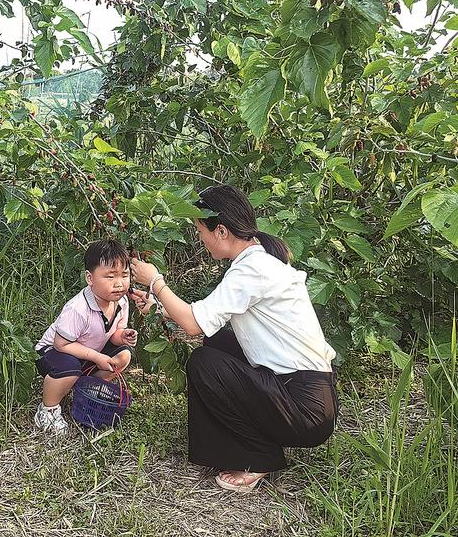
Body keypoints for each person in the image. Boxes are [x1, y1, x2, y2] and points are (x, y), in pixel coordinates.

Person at [130, 184, 338, 493]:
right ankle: (254, 443)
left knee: (204, 362)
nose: (201, 240)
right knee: (218, 343)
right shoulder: (258, 261)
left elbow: (192, 324)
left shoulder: (252, 270)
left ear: (222, 231)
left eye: (202, 231)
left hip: (306, 408)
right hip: (307, 395)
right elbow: (202, 321)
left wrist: (156, 281)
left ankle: (257, 457)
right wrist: (158, 307)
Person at [33, 239, 138, 435]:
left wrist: (123, 336)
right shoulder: (78, 308)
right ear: (90, 278)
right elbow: (61, 344)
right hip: (52, 352)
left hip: (86, 352)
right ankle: (47, 410)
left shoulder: (122, 302)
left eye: (124, 275)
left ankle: (84, 389)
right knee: (69, 367)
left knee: (123, 356)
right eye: (110, 276)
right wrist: (97, 357)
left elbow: (113, 334)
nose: (119, 283)